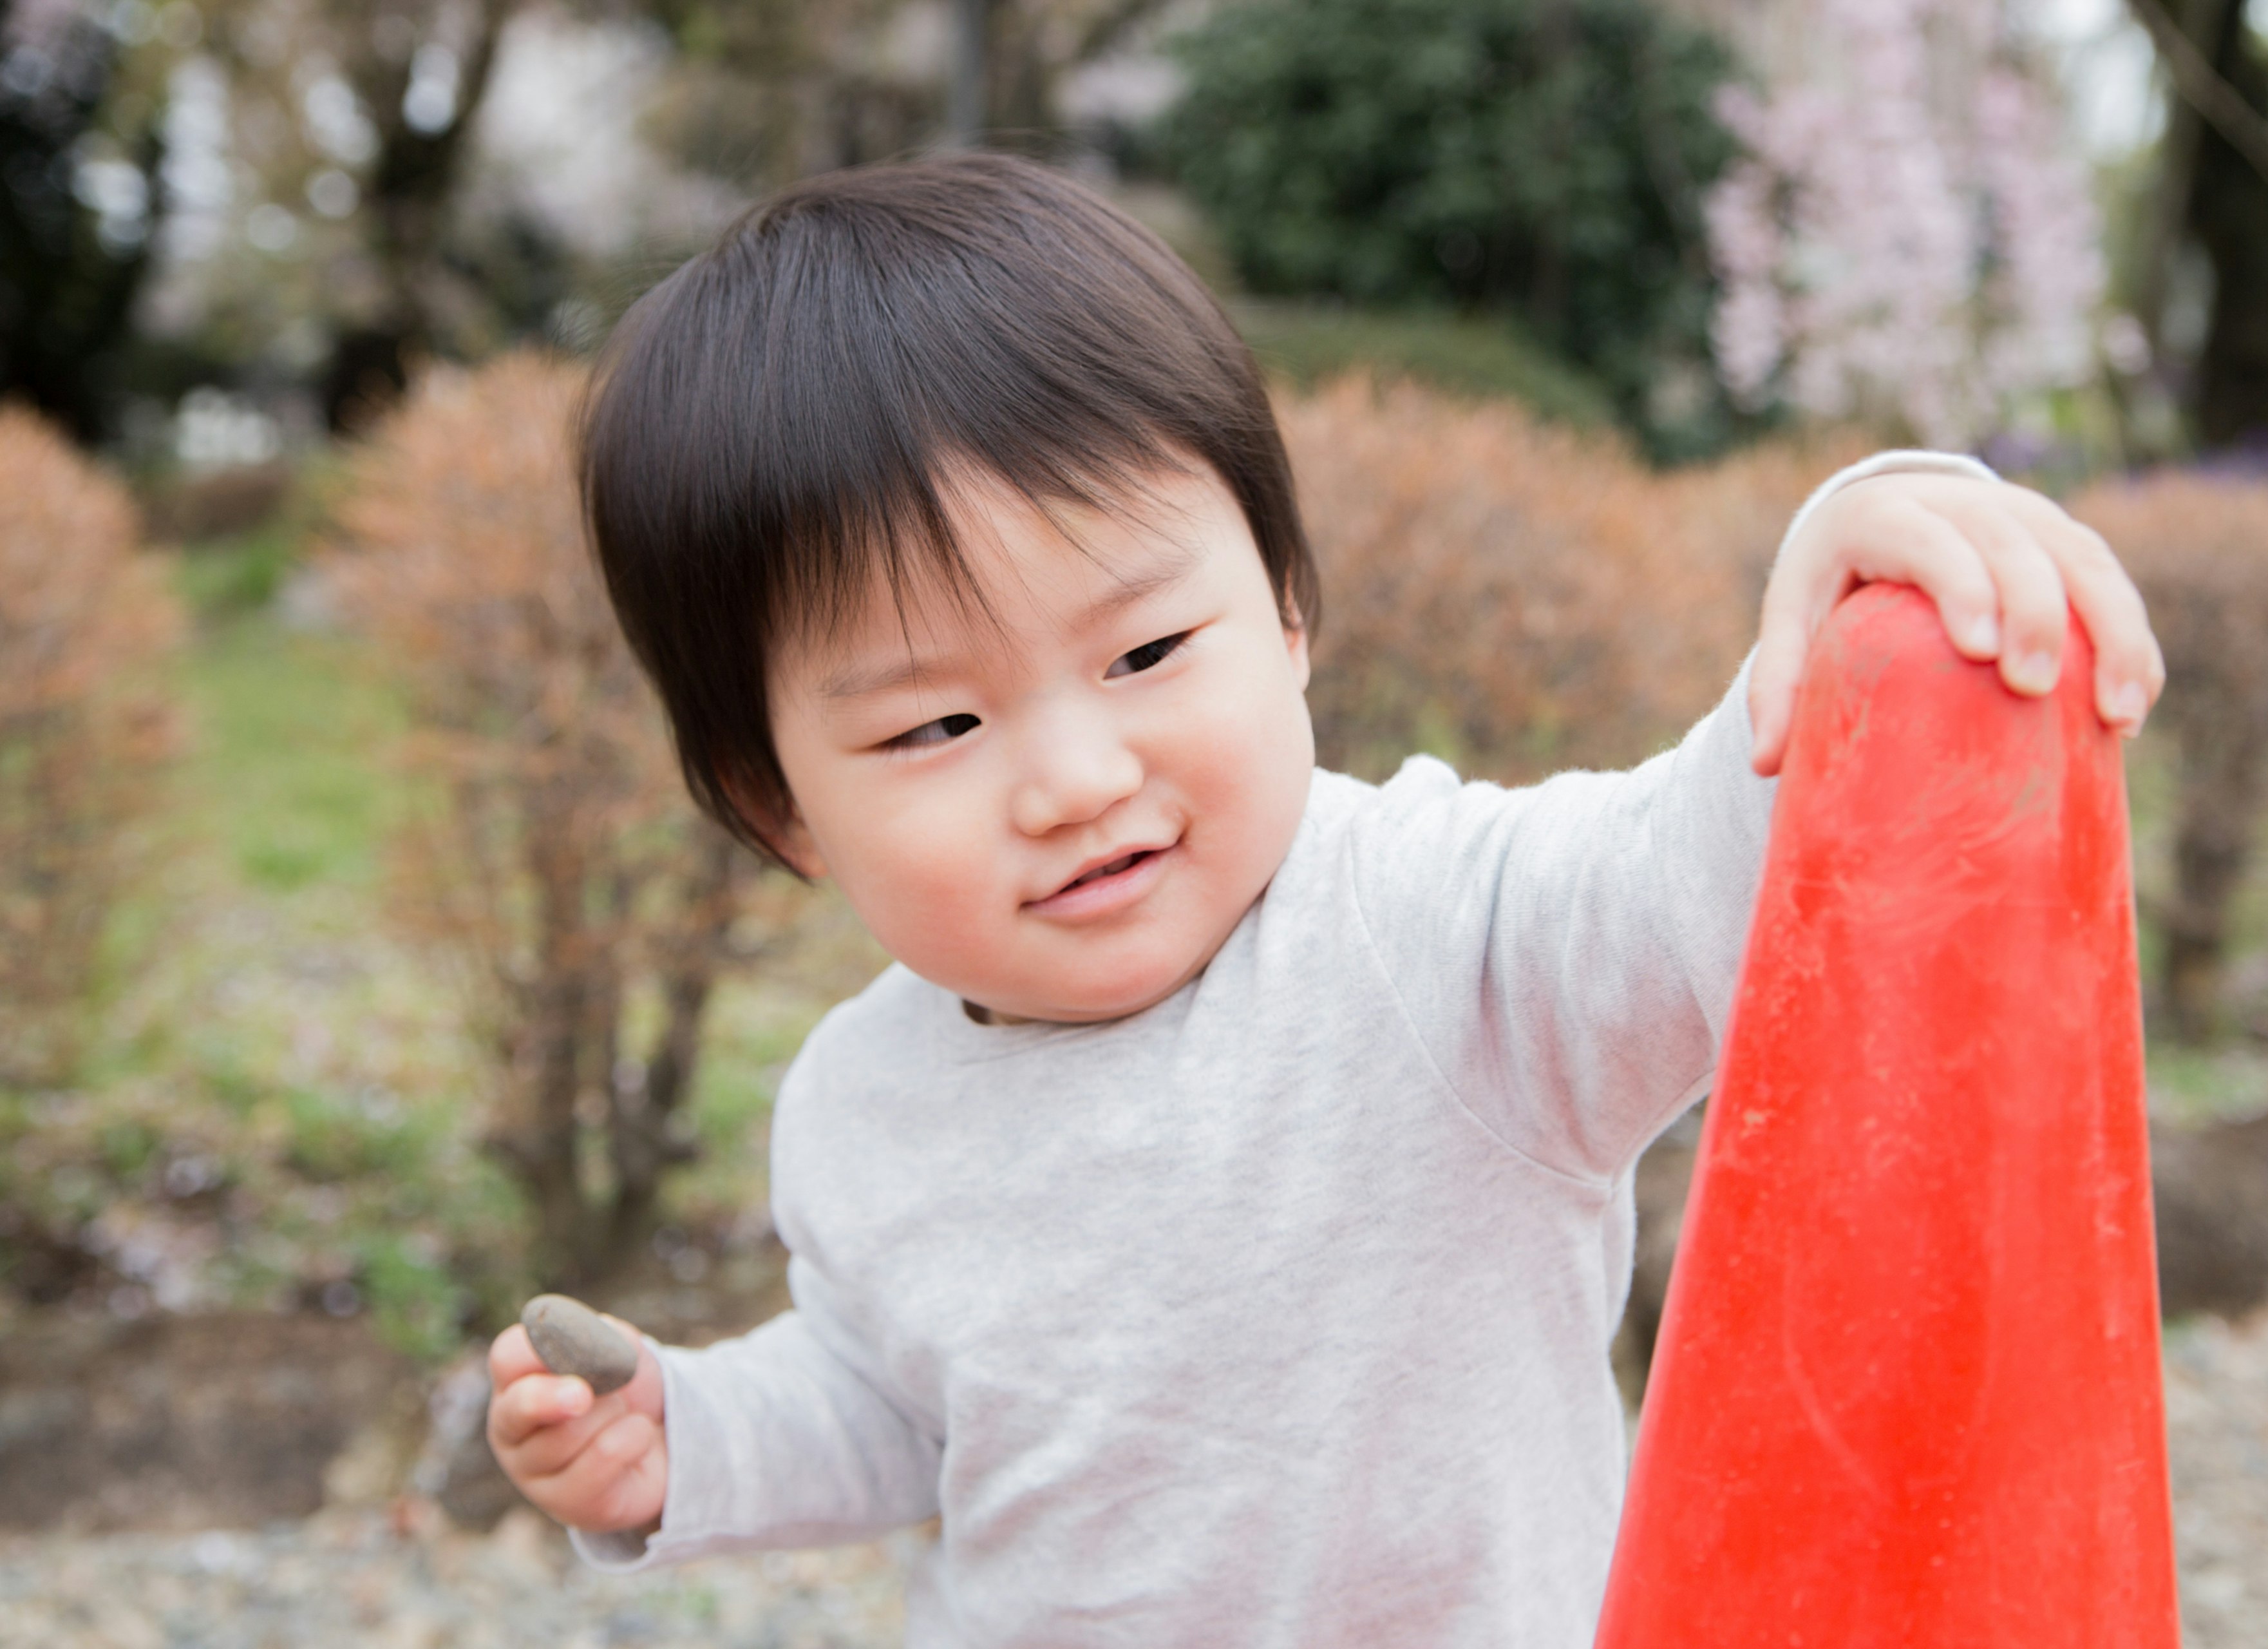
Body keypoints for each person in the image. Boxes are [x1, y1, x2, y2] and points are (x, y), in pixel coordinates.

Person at [485, 152, 2164, 1646]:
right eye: (937, 724)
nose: (1074, 775)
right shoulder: (860, 1109)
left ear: (1286, 612)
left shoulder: (1434, 938)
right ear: (781, 806)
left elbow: (1709, 870)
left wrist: (1856, 568)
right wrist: (686, 1447)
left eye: (1147, 651)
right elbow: (902, 1407)